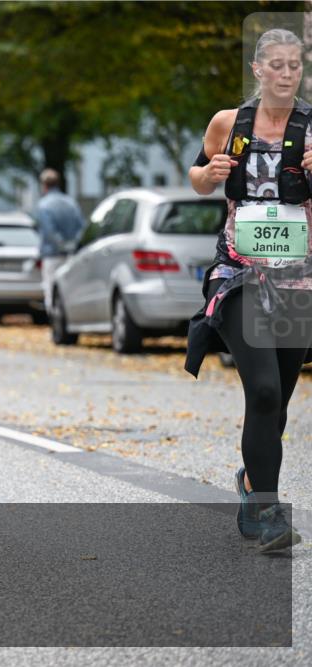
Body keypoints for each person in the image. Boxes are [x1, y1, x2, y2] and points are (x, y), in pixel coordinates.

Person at [186, 28, 312, 553]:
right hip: (238, 272)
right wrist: (210, 173)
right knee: (261, 390)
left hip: (299, 279)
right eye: (276, 65)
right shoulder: (229, 122)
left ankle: (250, 482)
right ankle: (267, 512)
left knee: (276, 403)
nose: (286, 73)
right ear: (257, 69)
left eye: (294, 65)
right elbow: (197, 176)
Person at [33, 168, 85, 311]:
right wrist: (73, 245)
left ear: (44, 185)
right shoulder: (71, 203)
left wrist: (61, 245)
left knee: (51, 291)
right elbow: (81, 227)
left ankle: (55, 320)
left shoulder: (43, 205)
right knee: (69, 290)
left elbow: (49, 231)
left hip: (52, 255)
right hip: (71, 255)